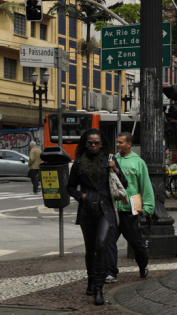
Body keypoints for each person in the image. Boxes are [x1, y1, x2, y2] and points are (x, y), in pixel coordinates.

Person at [67, 128, 128, 306]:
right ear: (85, 144)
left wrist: (115, 169)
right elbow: (70, 187)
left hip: (105, 209)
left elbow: (123, 183)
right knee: (90, 249)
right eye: (90, 142)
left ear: (102, 143)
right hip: (87, 209)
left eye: (97, 142)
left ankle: (99, 288)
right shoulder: (79, 163)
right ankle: (91, 281)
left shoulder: (109, 159)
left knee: (101, 244)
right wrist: (82, 196)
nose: (94, 145)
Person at [108, 131, 152, 282]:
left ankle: (143, 264)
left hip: (130, 211)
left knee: (136, 243)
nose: (118, 145)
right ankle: (111, 273)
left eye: (120, 142)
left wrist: (147, 208)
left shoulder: (138, 162)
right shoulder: (113, 160)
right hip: (114, 210)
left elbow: (146, 186)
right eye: (117, 142)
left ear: (129, 144)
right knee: (109, 241)